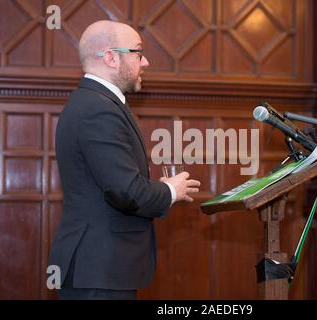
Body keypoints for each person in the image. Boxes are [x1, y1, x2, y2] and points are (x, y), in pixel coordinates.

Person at [48, 20, 201, 300]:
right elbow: (125, 192)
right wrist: (170, 191)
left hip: (98, 269)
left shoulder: (95, 103)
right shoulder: (98, 109)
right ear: (111, 57)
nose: (146, 62)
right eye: (138, 53)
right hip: (97, 270)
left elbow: (113, 184)